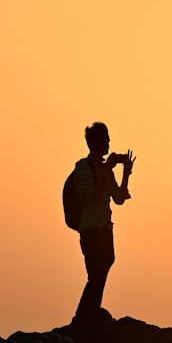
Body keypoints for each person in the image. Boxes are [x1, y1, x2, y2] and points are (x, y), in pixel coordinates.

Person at [72, 122, 135, 326]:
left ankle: (89, 314)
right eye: (105, 138)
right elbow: (92, 196)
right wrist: (108, 168)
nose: (108, 142)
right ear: (94, 142)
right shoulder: (83, 167)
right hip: (90, 230)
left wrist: (126, 172)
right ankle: (83, 317)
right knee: (96, 273)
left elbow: (118, 198)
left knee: (104, 266)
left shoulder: (103, 168)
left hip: (105, 229)